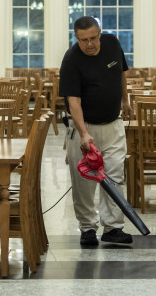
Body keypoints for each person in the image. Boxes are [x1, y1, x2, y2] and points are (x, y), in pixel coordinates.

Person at [59, 16, 133, 245]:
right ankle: (88, 229)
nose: (89, 44)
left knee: (115, 177)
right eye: (83, 40)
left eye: (93, 38)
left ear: (100, 33)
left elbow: (121, 73)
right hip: (85, 127)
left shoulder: (112, 43)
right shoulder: (71, 60)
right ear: (76, 38)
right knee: (84, 182)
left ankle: (113, 227)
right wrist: (83, 133)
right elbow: (74, 102)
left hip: (113, 124)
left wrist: (125, 101)